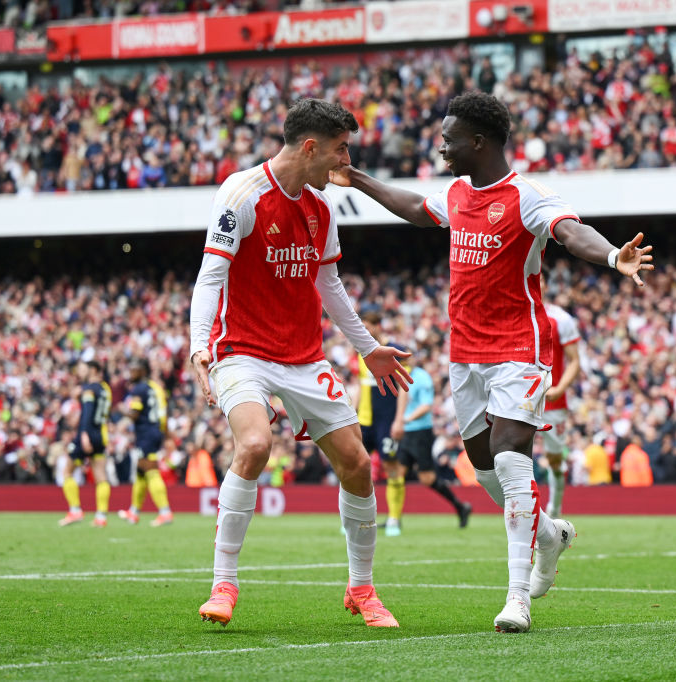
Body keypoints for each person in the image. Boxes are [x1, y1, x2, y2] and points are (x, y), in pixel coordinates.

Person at [332, 90, 653, 633]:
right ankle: (550, 536)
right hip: (465, 354)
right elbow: (415, 208)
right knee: (484, 469)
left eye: (448, 137)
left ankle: (517, 597)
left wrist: (613, 255)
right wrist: (357, 178)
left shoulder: (528, 196)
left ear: (477, 142)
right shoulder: (457, 193)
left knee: (509, 456)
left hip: (518, 350)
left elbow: (572, 233)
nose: (441, 145)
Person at [188, 98, 411, 629]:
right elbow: (210, 277)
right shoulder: (240, 194)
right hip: (240, 349)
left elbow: (328, 284)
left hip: (303, 357)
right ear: (311, 148)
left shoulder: (321, 208)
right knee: (256, 444)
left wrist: (368, 347)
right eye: (341, 150)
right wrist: (200, 345)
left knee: (357, 465)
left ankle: (361, 589)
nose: (346, 161)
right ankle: (224, 584)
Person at [389, 346, 472, 533]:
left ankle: (460, 506)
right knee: (396, 474)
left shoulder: (421, 378)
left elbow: (426, 406)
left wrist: (404, 419)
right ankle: (394, 518)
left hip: (420, 432)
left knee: (427, 478)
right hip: (407, 432)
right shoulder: (402, 376)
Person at [355, 311, 403, 536]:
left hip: (387, 419)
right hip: (365, 420)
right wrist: (352, 413)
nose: (364, 331)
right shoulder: (360, 351)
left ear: (377, 325)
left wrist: (399, 419)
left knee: (391, 467)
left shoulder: (392, 350)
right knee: (357, 467)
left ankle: (394, 518)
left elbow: (404, 388)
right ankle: (358, 518)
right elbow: (360, 384)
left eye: (367, 326)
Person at [539, 276, 581, 518]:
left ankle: (554, 507)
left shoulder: (561, 318)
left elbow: (575, 360)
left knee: (554, 458)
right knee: (513, 453)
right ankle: (523, 510)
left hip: (553, 400)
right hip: (520, 398)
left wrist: (560, 387)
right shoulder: (513, 312)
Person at [117, 357, 174, 527]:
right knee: (140, 471)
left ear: (142, 371)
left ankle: (165, 512)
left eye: (133, 369)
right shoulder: (155, 387)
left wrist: (121, 410)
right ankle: (134, 512)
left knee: (150, 470)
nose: (130, 373)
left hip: (146, 433)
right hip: (155, 431)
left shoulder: (138, 390)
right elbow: (163, 409)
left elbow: (134, 414)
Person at [59, 360, 113, 527]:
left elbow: (87, 414)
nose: (82, 372)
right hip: (100, 435)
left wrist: (83, 434)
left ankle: (75, 511)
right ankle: (101, 516)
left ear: (94, 370)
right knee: (101, 476)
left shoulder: (89, 390)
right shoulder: (105, 389)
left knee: (67, 471)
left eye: (85, 369)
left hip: (87, 434)